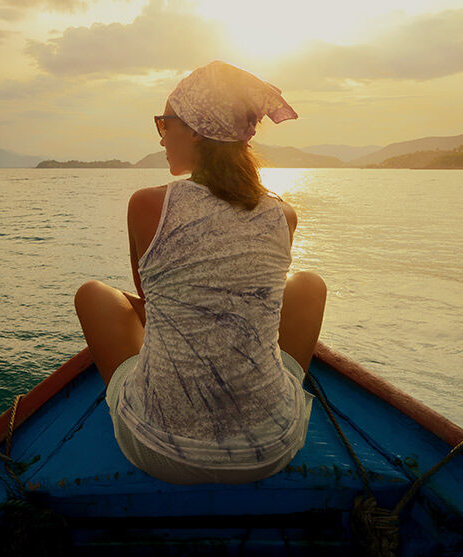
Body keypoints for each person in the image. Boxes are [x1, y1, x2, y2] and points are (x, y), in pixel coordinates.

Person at [74, 60, 327, 484]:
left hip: (158, 448)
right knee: (310, 285)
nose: (160, 136)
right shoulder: (283, 214)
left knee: (93, 295)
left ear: (193, 129)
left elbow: (151, 304)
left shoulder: (148, 204)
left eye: (163, 122)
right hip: (272, 448)